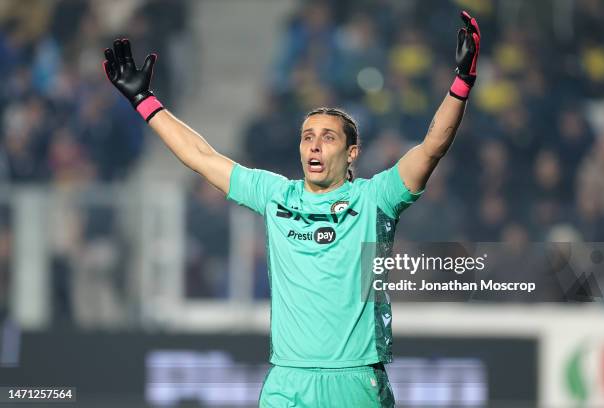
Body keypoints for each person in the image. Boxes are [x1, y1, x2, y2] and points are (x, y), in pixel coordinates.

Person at [102, 10, 480, 408]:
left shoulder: (376, 199)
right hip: (287, 380)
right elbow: (201, 156)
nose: (314, 145)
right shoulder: (275, 195)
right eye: (307, 137)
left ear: (352, 153)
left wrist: (462, 82)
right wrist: (145, 101)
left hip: (354, 380)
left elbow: (432, 147)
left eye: (328, 137)